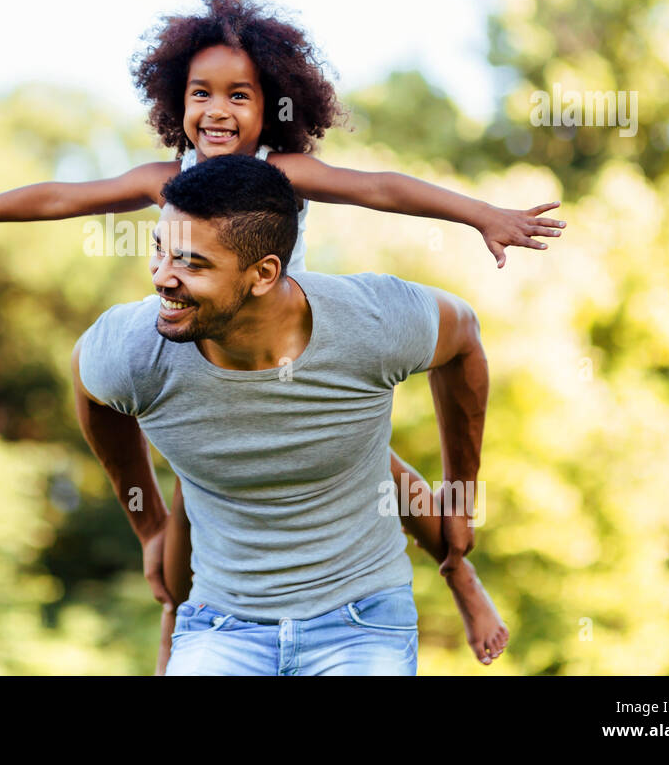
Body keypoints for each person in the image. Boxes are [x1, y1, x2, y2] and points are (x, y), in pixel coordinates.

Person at [0, 0, 554, 669]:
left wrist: (480, 214)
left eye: (241, 96)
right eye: (201, 93)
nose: (217, 111)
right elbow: (62, 196)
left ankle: (457, 572)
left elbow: (379, 187)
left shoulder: (282, 173)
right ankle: (183, 619)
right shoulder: (164, 177)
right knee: (192, 512)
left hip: (292, 365)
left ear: (275, 107)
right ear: (177, 99)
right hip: (203, 375)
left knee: (371, 467)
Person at [73, 154, 489, 675]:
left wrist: (461, 491)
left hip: (362, 623)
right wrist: (149, 524)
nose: (161, 277)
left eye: (191, 264)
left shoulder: (373, 321)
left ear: (264, 274)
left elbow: (464, 339)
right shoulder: (134, 351)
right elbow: (89, 388)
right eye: (158, 251)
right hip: (220, 622)